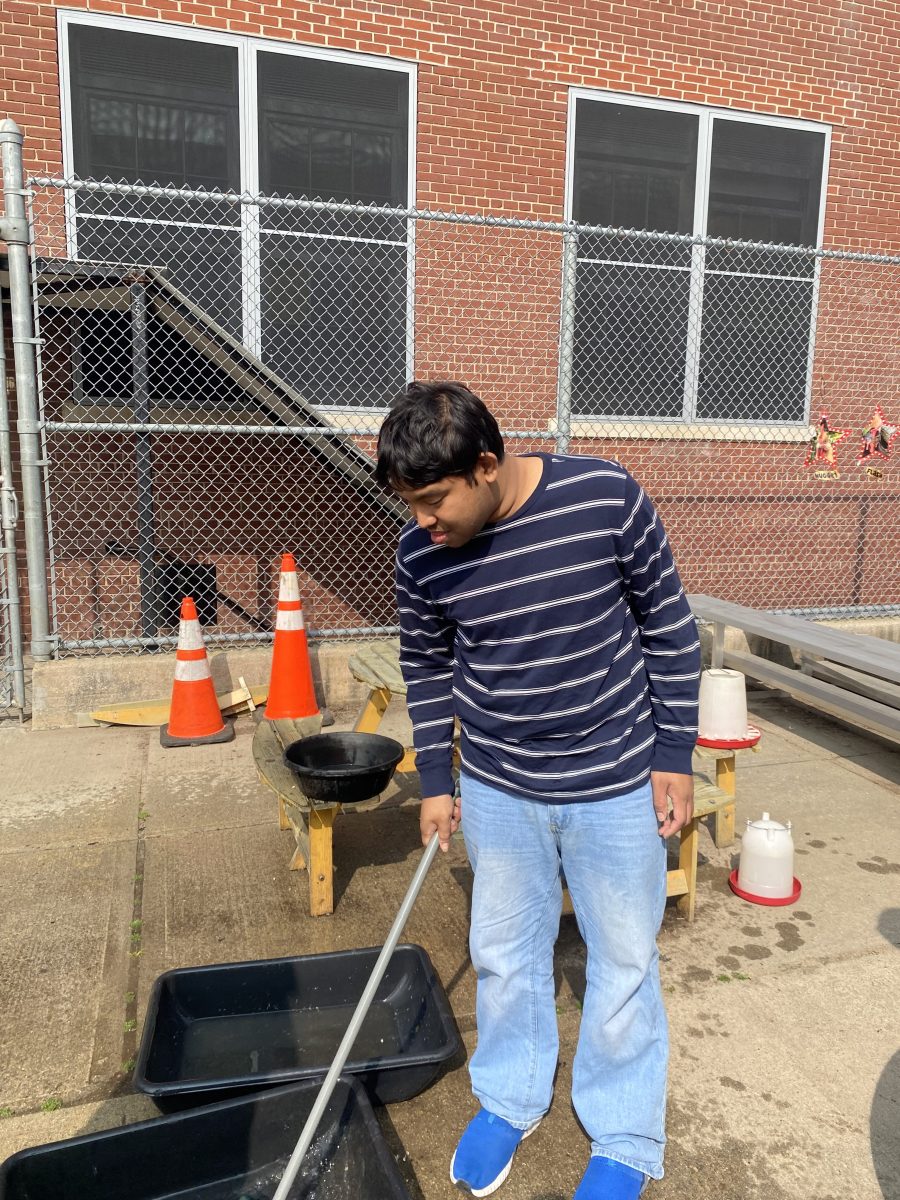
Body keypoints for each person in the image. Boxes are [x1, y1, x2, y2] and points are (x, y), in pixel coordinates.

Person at [376, 381, 700, 1200]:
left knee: (622, 959)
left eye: (434, 500)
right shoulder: (420, 555)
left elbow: (668, 623)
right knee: (505, 953)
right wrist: (437, 780)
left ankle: (623, 1134)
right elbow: (427, 666)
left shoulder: (605, 499)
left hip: (614, 780)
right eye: (409, 503)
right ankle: (509, 1099)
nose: (422, 521)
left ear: (486, 465)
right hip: (498, 787)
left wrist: (674, 752)